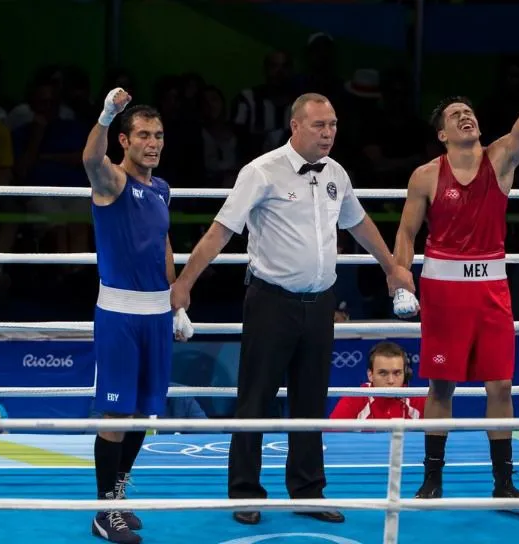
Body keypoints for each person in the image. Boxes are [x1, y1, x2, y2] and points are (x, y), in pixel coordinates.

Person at [170, 92, 415, 525]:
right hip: (271, 302)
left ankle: (307, 489)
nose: (328, 133)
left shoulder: (337, 173)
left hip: (320, 305)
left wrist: (393, 269)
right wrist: (184, 283)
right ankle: (243, 492)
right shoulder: (260, 171)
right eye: (319, 125)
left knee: (310, 399)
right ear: (295, 126)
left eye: (333, 125)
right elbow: (220, 231)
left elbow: (358, 223)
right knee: (255, 399)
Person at [392, 9, 519, 500]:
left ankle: (503, 482)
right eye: (455, 115)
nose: (467, 115)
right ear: (442, 133)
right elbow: (405, 233)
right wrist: (401, 278)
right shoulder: (424, 175)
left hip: (491, 287)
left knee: (500, 386)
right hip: (442, 290)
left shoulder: (502, 158)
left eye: (470, 111)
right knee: (440, 386)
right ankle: (432, 478)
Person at [82, 88, 194, 543]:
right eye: (144, 134)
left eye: (159, 135)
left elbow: (163, 245)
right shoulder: (113, 183)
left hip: (154, 315)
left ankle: (119, 496)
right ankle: (103, 510)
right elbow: (91, 160)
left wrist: (177, 303)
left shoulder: (161, 189)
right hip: (120, 316)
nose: (153, 142)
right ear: (124, 141)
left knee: (144, 414)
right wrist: (107, 114)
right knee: (116, 415)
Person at [329, 341, 425, 421]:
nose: (391, 381)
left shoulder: (418, 400)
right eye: (383, 373)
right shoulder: (354, 399)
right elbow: (330, 438)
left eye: (397, 373)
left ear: (405, 374)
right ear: (370, 375)